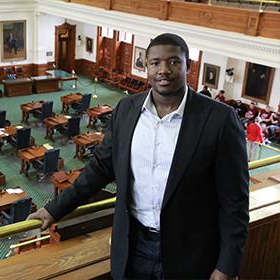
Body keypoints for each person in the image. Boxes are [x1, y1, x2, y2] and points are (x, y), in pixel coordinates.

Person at [28, 33, 249, 279]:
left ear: (189, 66)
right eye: (155, 63)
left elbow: (235, 201)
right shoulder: (126, 109)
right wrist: (54, 209)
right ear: (146, 67)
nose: (163, 70)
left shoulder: (219, 119)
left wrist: (227, 266)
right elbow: (100, 168)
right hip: (133, 246)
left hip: (191, 253)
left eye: (174, 62)